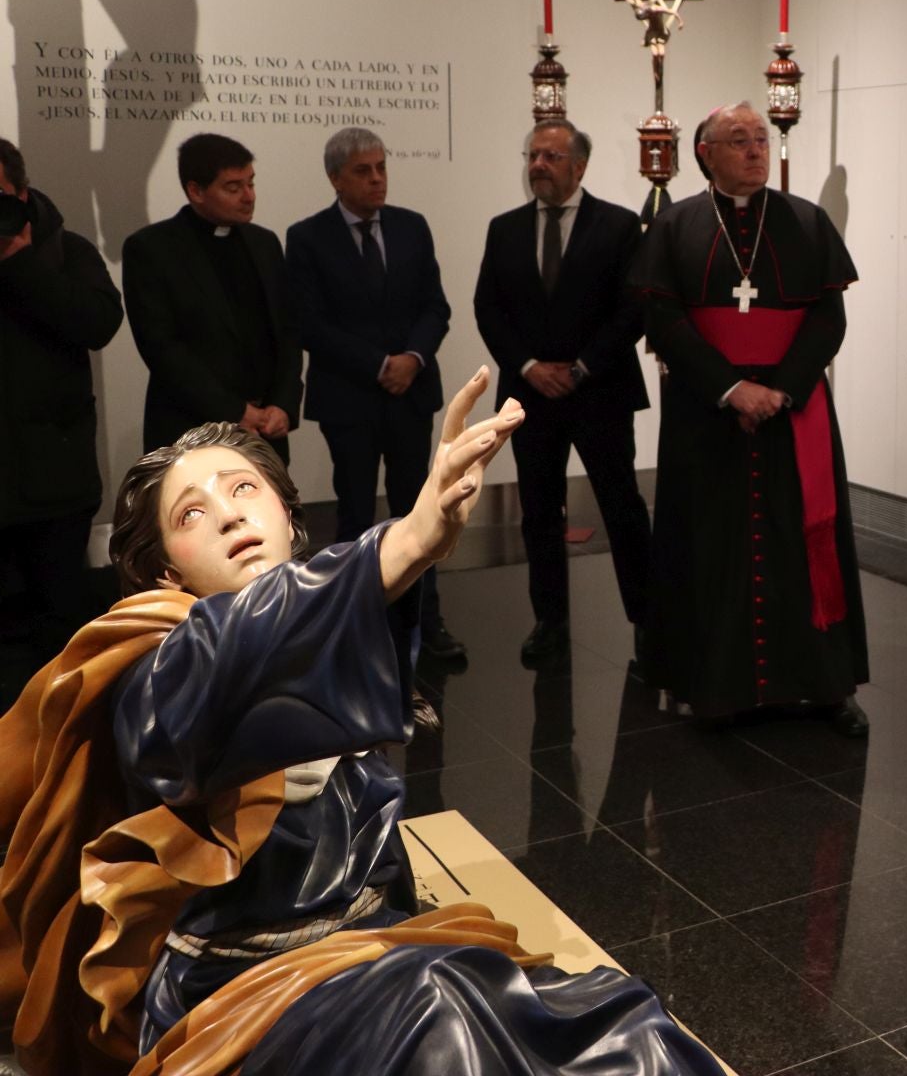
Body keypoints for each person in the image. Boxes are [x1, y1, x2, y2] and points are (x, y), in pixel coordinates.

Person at [0, 370, 729, 1075]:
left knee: (628, 1029)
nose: (226, 514)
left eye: (244, 488)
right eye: (190, 514)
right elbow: (227, 655)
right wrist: (404, 542)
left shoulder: (325, 637)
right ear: (166, 572)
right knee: (440, 1021)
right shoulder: (152, 668)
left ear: (290, 517)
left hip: (379, 952)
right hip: (245, 990)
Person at [640, 103, 869, 735]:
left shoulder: (808, 222)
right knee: (711, 545)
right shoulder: (676, 225)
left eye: (760, 140)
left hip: (794, 410)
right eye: (738, 141)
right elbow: (665, 323)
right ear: (705, 152)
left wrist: (782, 391)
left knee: (806, 539)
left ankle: (825, 684)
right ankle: (713, 685)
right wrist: (731, 389)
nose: (755, 151)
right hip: (706, 412)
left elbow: (829, 319)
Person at [473, 119, 653, 665]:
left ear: (580, 166)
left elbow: (634, 308)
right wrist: (529, 367)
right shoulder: (504, 228)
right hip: (531, 399)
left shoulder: (620, 227)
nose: (538, 166)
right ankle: (550, 621)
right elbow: (489, 308)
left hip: (599, 392)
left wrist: (579, 368)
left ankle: (647, 623)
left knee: (622, 508)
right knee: (539, 512)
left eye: (551, 157)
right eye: (533, 155)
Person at [287, 128, 462, 663]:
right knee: (356, 516)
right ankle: (358, 628)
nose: (377, 179)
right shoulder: (308, 236)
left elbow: (436, 307)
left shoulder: (412, 227)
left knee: (422, 512)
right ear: (335, 178)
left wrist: (413, 359)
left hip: (410, 395)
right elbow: (309, 323)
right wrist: (379, 365)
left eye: (382, 167)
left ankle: (424, 624)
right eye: (363, 171)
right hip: (350, 400)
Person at [0, 140, 123, 668]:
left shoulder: (63, 249)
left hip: (57, 485)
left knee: (60, 642)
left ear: (21, 194)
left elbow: (98, 324)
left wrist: (20, 264)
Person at [122, 134, 303, 462]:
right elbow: (162, 349)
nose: (248, 197)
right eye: (233, 188)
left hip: (266, 434)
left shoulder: (264, 243)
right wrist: (235, 411)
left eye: (251, 183)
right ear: (196, 191)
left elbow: (288, 331)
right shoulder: (152, 249)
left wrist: (284, 405)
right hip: (191, 433)